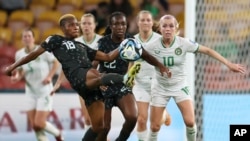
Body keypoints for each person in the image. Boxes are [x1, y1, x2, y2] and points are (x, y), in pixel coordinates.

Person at [4, 14, 171, 141]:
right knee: (97, 74)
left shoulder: (82, 46)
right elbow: (33, 54)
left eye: (77, 25)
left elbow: (107, 57)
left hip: (90, 86)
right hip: (79, 76)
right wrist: (13, 66)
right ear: (63, 28)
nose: (76, 27)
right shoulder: (56, 40)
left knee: (99, 127)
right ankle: (124, 79)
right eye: (72, 25)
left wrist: (123, 46)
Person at [144, 14, 246, 141]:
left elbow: (208, 51)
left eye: (171, 26)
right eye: (164, 26)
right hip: (160, 87)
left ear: (176, 28)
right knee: (154, 127)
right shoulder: (152, 46)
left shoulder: (183, 43)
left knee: (190, 122)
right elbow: (139, 55)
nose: (168, 29)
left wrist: (228, 64)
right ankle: (163, 116)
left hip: (180, 86)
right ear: (160, 29)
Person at [10, 28, 62, 141]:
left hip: (44, 91)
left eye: (29, 36)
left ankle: (58, 135)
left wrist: (49, 76)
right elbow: (20, 70)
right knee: (35, 125)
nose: (27, 38)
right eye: (24, 36)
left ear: (33, 38)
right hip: (30, 92)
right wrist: (17, 77)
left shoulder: (41, 50)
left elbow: (56, 62)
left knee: (39, 122)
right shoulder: (19, 54)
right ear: (22, 39)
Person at [94, 11, 139, 141]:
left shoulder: (131, 41)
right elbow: (93, 66)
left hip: (121, 84)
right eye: (116, 24)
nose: (120, 27)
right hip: (104, 85)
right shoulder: (102, 42)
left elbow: (133, 62)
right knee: (104, 128)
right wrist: (98, 81)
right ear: (111, 26)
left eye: (123, 24)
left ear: (127, 25)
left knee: (132, 117)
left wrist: (131, 76)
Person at [132, 10, 171, 141]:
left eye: (148, 20)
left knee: (156, 123)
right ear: (138, 23)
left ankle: (164, 115)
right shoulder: (132, 41)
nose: (145, 22)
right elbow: (130, 61)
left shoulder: (159, 40)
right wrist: (129, 76)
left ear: (152, 22)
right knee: (142, 119)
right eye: (142, 20)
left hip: (157, 83)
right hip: (140, 83)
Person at [75, 13, 103, 134]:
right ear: (80, 25)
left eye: (89, 23)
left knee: (99, 120)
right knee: (87, 119)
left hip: (100, 83)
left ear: (94, 25)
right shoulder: (75, 42)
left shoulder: (102, 41)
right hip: (84, 83)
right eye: (84, 23)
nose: (86, 26)